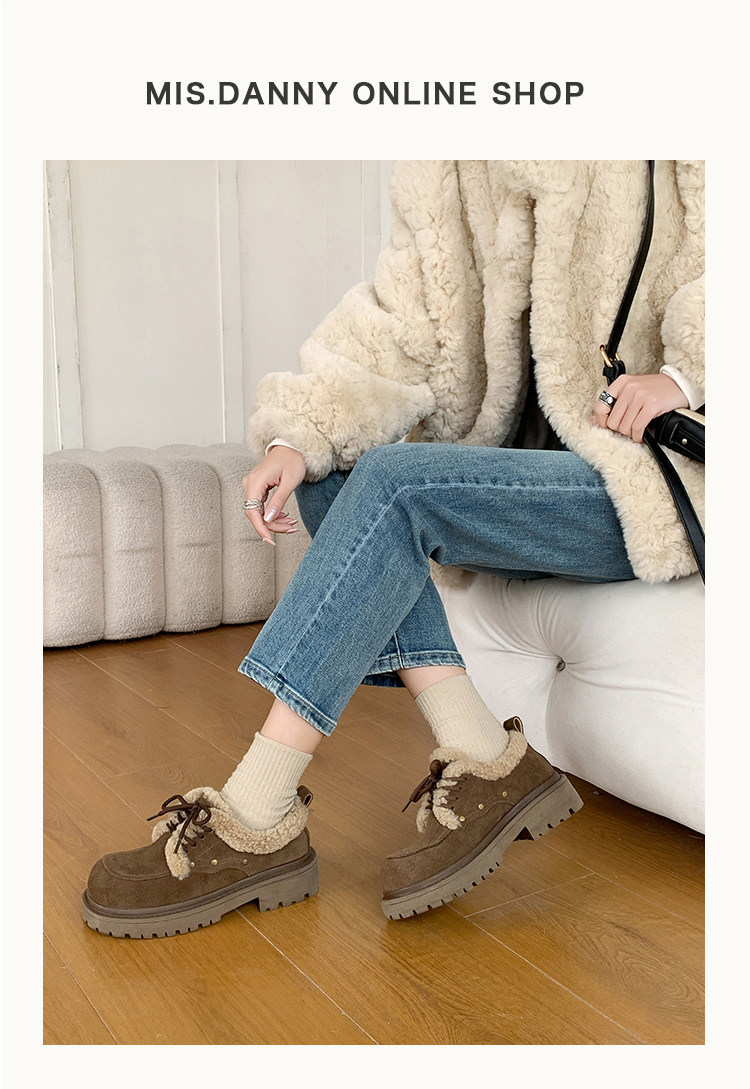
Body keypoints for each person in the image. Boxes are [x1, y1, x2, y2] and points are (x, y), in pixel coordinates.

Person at [81, 160, 704, 938]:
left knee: (396, 483)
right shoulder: (455, 161)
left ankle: (257, 812)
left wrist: (684, 376)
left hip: (639, 480)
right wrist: (297, 435)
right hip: (515, 483)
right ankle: (482, 750)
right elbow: (401, 320)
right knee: (330, 469)